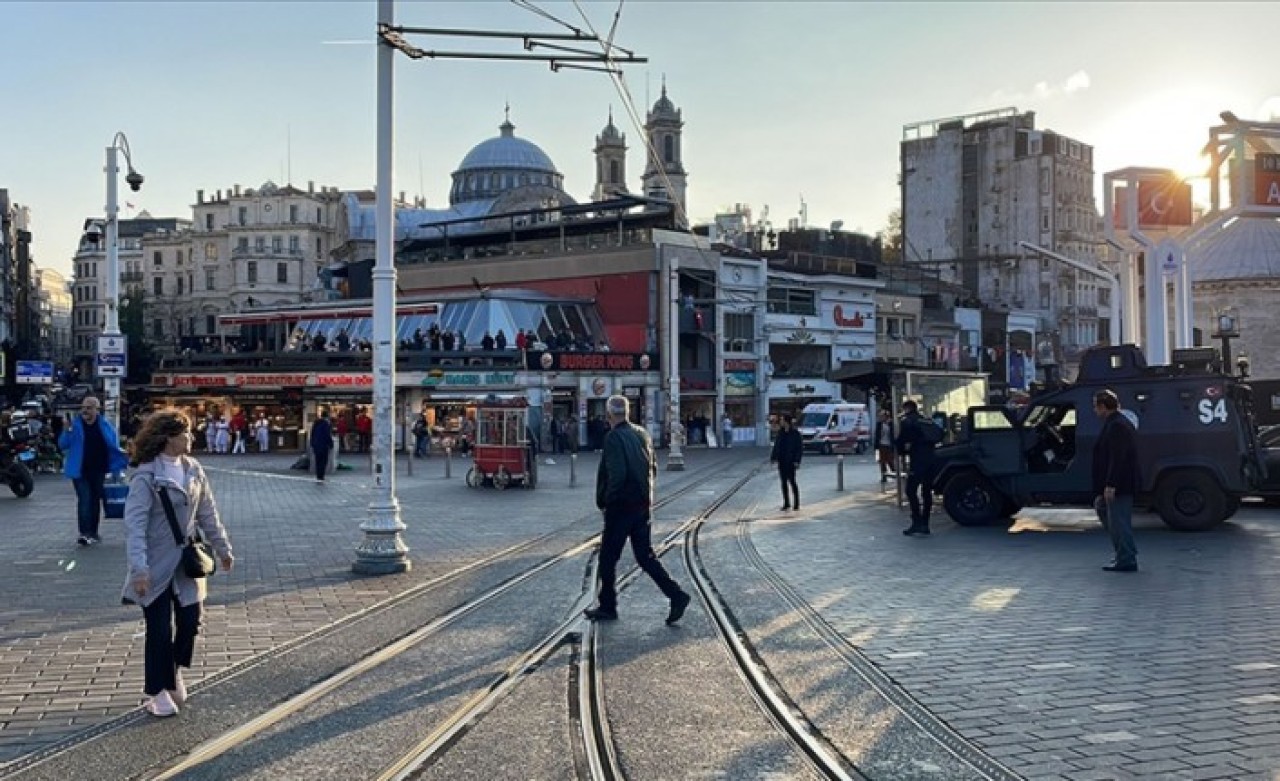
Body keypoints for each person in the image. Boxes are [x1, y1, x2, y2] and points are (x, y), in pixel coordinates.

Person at [121, 409, 234, 718]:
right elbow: (135, 526)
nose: (191, 438)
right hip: (154, 565)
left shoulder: (193, 469)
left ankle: (172, 670)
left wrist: (223, 548)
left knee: (189, 623)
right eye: (185, 433)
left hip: (186, 563)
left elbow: (208, 513)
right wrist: (139, 570)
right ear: (168, 438)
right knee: (158, 629)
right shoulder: (146, 476)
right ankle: (156, 690)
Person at [584, 395, 691, 625]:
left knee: (607, 559)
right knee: (645, 557)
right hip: (642, 507)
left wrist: (607, 502)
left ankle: (608, 606)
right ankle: (676, 594)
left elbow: (617, 474)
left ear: (610, 415)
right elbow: (653, 467)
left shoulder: (613, 437)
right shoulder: (642, 433)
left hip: (621, 508)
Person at [59, 396, 129, 546]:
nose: (85, 411)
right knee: (84, 500)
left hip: (99, 470)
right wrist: (66, 431)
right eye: (84, 407)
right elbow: (62, 445)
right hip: (80, 471)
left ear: (97, 410)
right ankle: (84, 533)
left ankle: (93, 532)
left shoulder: (105, 425)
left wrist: (119, 465)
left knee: (95, 501)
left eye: (89, 408)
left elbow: (114, 446)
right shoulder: (75, 426)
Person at [1092, 389, 1140, 572]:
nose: (1095, 411)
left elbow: (1118, 458)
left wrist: (1111, 484)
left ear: (1103, 407)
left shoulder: (1117, 426)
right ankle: (1124, 553)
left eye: (1096, 407)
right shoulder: (1116, 423)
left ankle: (1126, 558)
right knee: (1108, 514)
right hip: (1117, 483)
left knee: (1119, 521)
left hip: (1119, 484)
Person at [895, 399, 938, 537]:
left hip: (918, 461)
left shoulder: (907, 421)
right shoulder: (926, 420)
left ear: (907, 409)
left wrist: (900, 449)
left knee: (910, 490)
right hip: (931, 460)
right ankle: (925, 523)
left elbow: (901, 441)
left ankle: (916, 522)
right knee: (926, 492)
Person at [770, 414, 803, 511]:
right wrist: (773, 458)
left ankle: (796, 503)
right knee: (783, 482)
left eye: (782, 420)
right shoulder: (781, 433)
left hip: (791, 461)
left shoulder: (795, 434)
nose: (780, 422)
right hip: (782, 461)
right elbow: (777, 446)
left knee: (792, 482)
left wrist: (797, 460)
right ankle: (786, 503)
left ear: (787, 422)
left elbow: (799, 448)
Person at [310, 409, 335, 482]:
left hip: (316, 445)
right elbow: (327, 435)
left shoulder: (316, 423)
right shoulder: (326, 424)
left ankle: (318, 476)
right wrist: (331, 444)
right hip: (323, 445)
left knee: (318, 461)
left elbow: (312, 434)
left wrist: (312, 443)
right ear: (327, 416)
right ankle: (321, 476)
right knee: (323, 461)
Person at [873, 409, 896, 485]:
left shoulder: (891, 423)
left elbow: (893, 434)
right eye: (880, 416)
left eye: (882, 416)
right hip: (881, 444)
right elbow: (877, 435)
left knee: (890, 461)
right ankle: (884, 477)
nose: (881, 417)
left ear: (886, 416)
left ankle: (895, 475)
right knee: (882, 462)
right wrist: (876, 446)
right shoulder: (879, 424)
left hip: (889, 444)